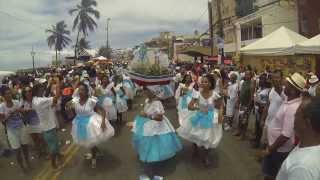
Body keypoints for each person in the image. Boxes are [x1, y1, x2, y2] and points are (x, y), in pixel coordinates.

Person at [262, 73, 306, 180]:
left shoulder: (292, 108)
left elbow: (286, 135)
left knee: (273, 175)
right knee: (270, 174)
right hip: (275, 148)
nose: (283, 86)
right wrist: (274, 80)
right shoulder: (288, 99)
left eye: (287, 85)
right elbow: (279, 90)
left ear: (293, 90)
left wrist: (270, 149)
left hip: (278, 151)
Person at [128, 86, 182, 169]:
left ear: (153, 92)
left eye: (147, 91)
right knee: (148, 143)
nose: (145, 92)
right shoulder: (147, 100)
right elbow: (145, 112)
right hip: (146, 125)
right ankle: (153, 163)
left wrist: (147, 115)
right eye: (145, 90)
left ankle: (155, 165)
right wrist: (138, 119)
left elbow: (160, 118)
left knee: (156, 143)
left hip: (157, 126)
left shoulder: (157, 103)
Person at [177, 74, 223, 166]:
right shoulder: (197, 94)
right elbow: (190, 106)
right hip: (198, 116)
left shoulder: (215, 94)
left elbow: (220, 106)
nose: (203, 83)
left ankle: (206, 156)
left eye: (206, 82)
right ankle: (195, 149)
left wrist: (220, 115)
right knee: (195, 134)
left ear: (210, 84)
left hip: (211, 118)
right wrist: (197, 108)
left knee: (209, 138)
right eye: (202, 81)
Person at [66, 82, 114, 168]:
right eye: (79, 89)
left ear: (87, 91)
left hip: (91, 123)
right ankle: (97, 152)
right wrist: (67, 108)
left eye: (83, 90)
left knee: (91, 143)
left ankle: (94, 158)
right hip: (79, 124)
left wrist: (103, 122)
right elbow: (69, 112)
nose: (81, 91)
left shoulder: (92, 100)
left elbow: (102, 110)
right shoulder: (74, 101)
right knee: (89, 142)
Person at [276, 97, 320, 180]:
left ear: (307, 123)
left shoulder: (302, 168)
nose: (294, 118)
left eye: (296, 115)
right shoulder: (307, 145)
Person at [0, 87, 30, 173]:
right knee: (17, 151)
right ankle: (22, 167)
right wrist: (8, 115)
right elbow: (2, 121)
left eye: (9, 93)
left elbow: (23, 112)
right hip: (12, 131)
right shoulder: (1, 107)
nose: (9, 95)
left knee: (25, 147)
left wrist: (21, 110)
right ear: (2, 96)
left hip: (21, 127)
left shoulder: (16, 102)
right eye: (6, 94)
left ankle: (27, 161)